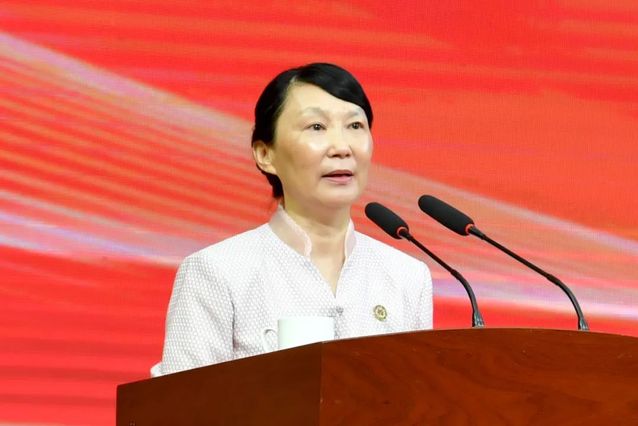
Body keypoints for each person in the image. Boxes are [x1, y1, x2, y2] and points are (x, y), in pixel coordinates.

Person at [158, 63, 432, 376]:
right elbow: (181, 401)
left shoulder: (407, 277)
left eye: (355, 126)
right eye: (316, 127)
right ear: (265, 154)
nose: (342, 148)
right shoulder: (218, 272)